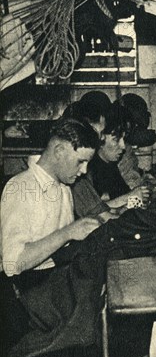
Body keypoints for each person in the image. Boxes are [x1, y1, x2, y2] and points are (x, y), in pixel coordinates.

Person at [1, 118, 101, 278]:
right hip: (26, 288)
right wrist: (68, 233)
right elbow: (12, 263)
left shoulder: (64, 186)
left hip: (55, 279)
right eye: (80, 162)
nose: (84, 170)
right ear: (59, 151)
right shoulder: (21, 187)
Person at [87, 105, 150, 210]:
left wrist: (140, 201)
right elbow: (92, 212)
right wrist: (129, 198)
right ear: (100, 137)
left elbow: (124, 202)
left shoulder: (110, 165)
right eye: (116, 139)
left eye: (123, 139)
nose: (123, 146)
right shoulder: (88, 170)